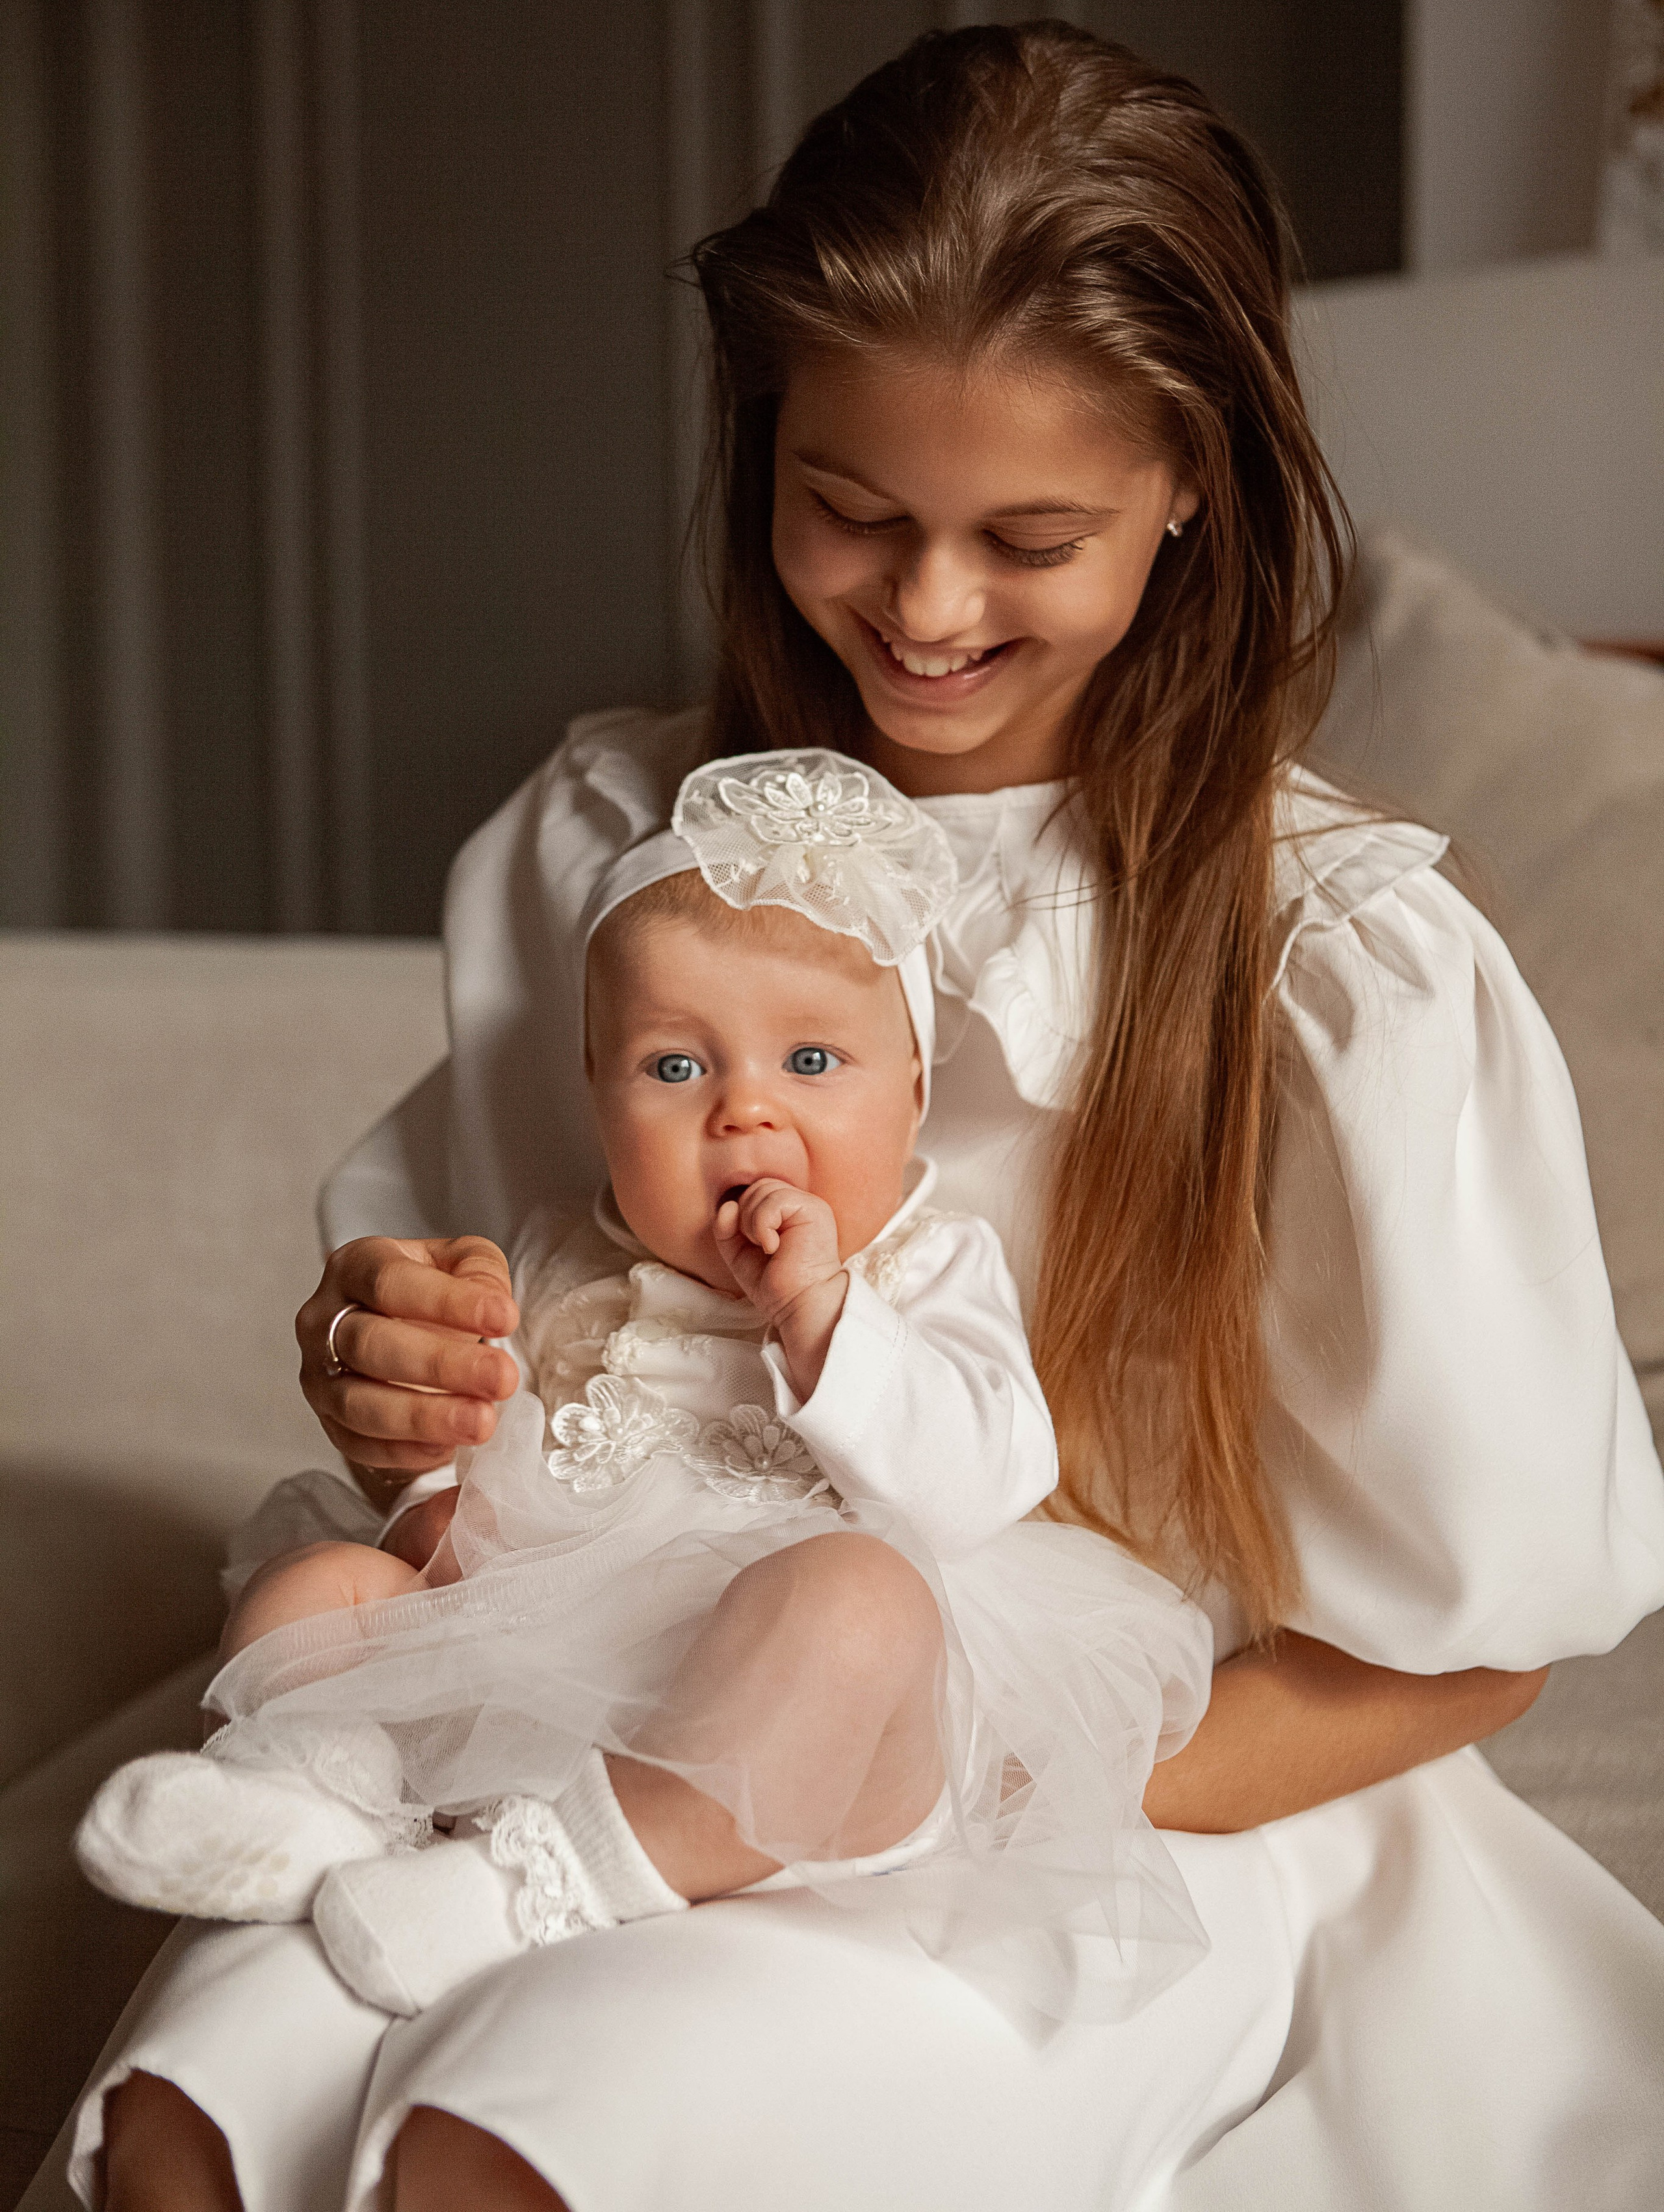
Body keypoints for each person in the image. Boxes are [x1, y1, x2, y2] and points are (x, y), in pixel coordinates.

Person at [79, 23, 1664, 2212]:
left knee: (507, 2136)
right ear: (764, 448)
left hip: (1081, 1808)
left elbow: (1489, 1630)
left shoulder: (1336, 967)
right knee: (193, 2120)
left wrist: (963, 1784)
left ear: (1192, 480)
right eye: (852, 511)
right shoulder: (602, 843)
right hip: (573, 1696)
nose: (924, 611)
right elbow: (510, 1374)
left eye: (1028, 536)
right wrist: (395, 1362)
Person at [74, 752, 1211, 2031]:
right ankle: (311, 1803)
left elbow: (985, 1477)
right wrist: (435, 1504)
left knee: (857, 1604)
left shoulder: (924, 1269)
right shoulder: (561, 1259)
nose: (744, 1113)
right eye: (675, 1070)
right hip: (541, 1665)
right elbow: (489, 1448)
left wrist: (822, 1316)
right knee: (326, 1582)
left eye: (813, 1059)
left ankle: (547, 1887)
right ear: (596, 1095)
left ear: (914, 1098)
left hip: (787, 1720)